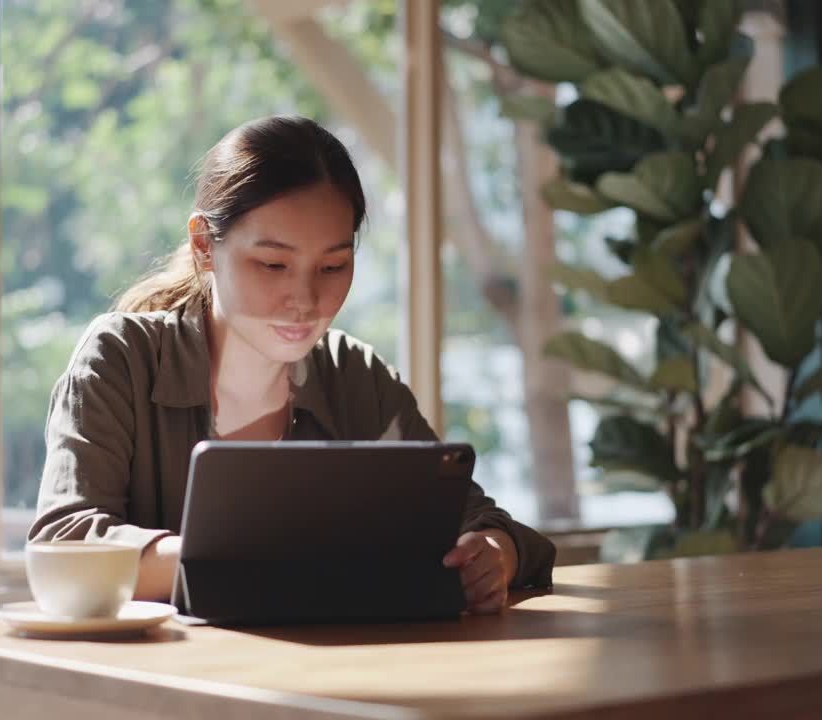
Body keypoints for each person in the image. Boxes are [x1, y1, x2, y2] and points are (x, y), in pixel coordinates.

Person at [29, 115, 555, 615]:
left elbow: (479, 520)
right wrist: (259, 559)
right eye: (273, 264)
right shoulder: (120, 358)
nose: (304, 299)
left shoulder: (354, 375)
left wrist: (494, 552)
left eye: (333, 265)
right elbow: (64, 544)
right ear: (203, 247)